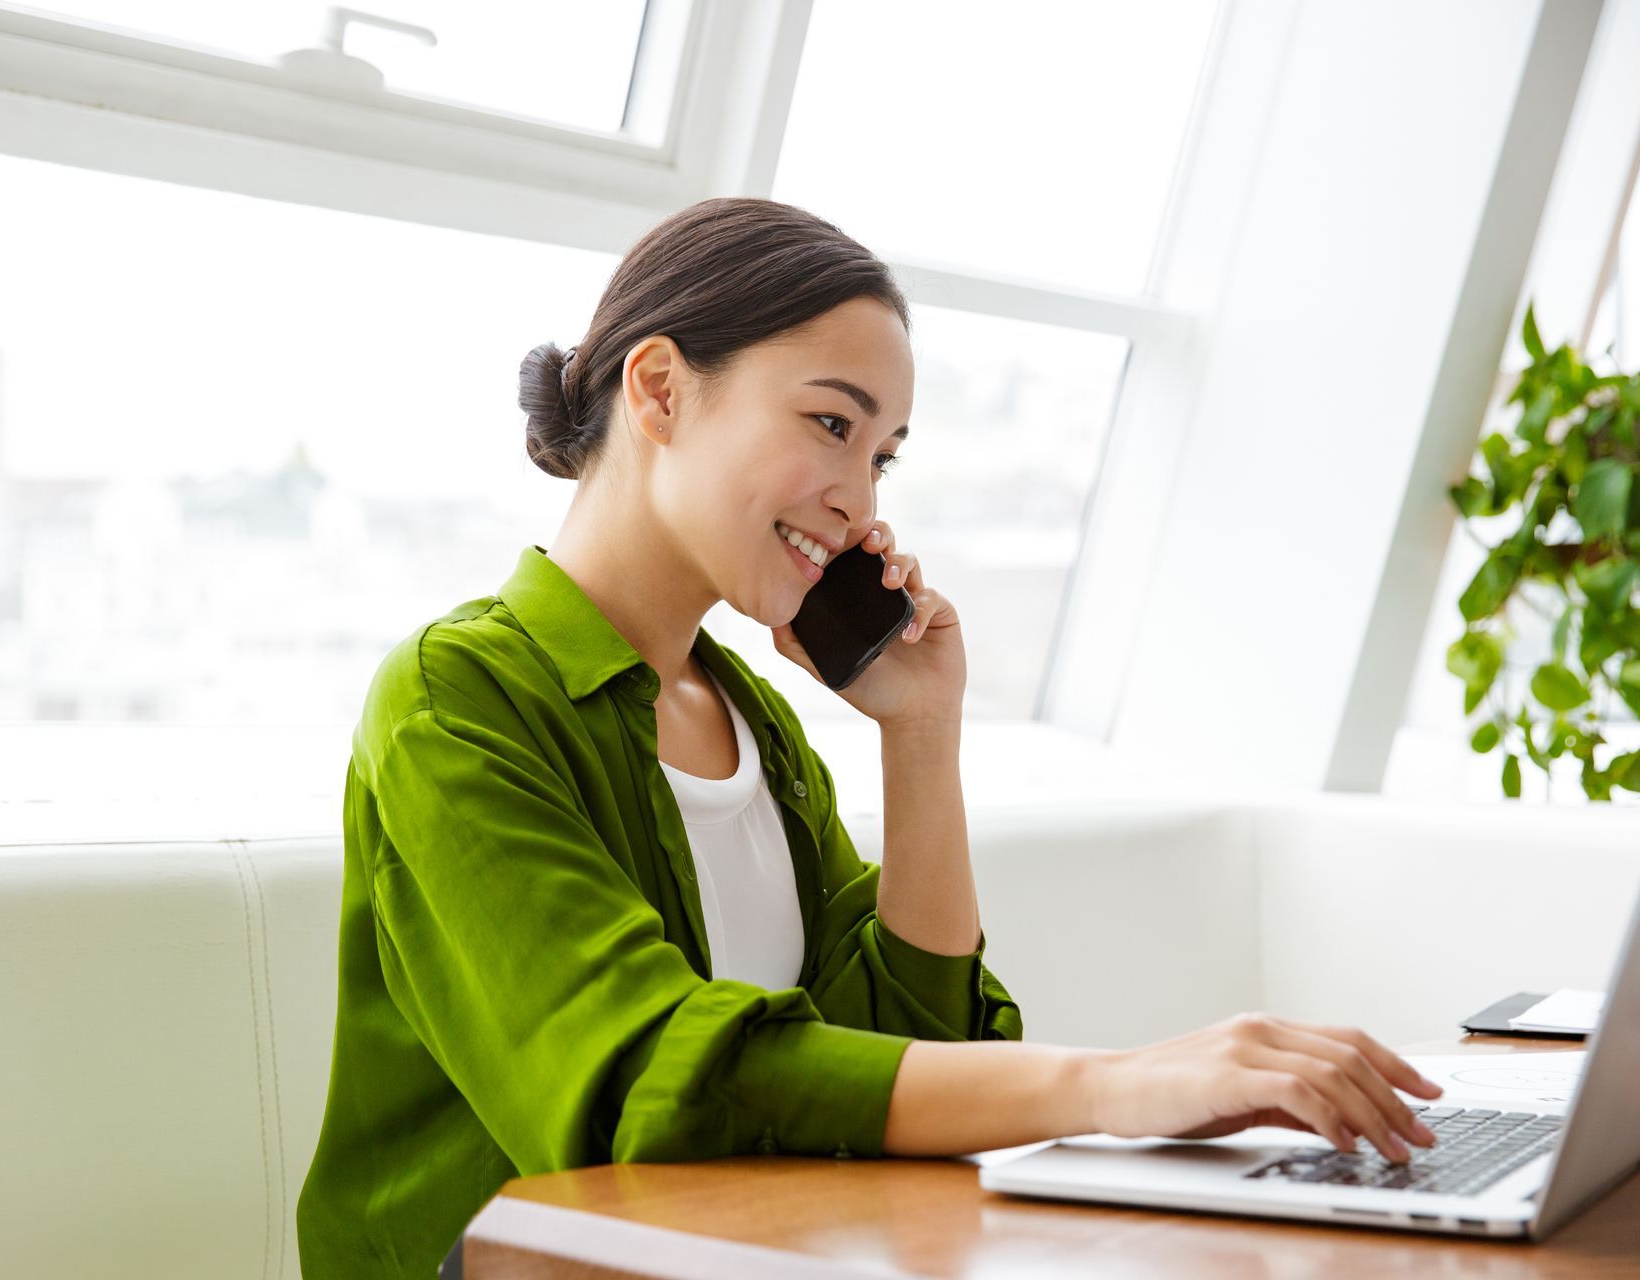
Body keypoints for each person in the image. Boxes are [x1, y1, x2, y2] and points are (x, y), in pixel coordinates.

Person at [294, 197, 1443, 1279]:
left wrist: (922, 731)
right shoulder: (459, 696)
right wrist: (1109, 1084)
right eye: (831, 423)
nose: (859, 497)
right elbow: (651, 1084)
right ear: (659, 390)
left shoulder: (751, 715)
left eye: (883, 453)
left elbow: (898, 1041)